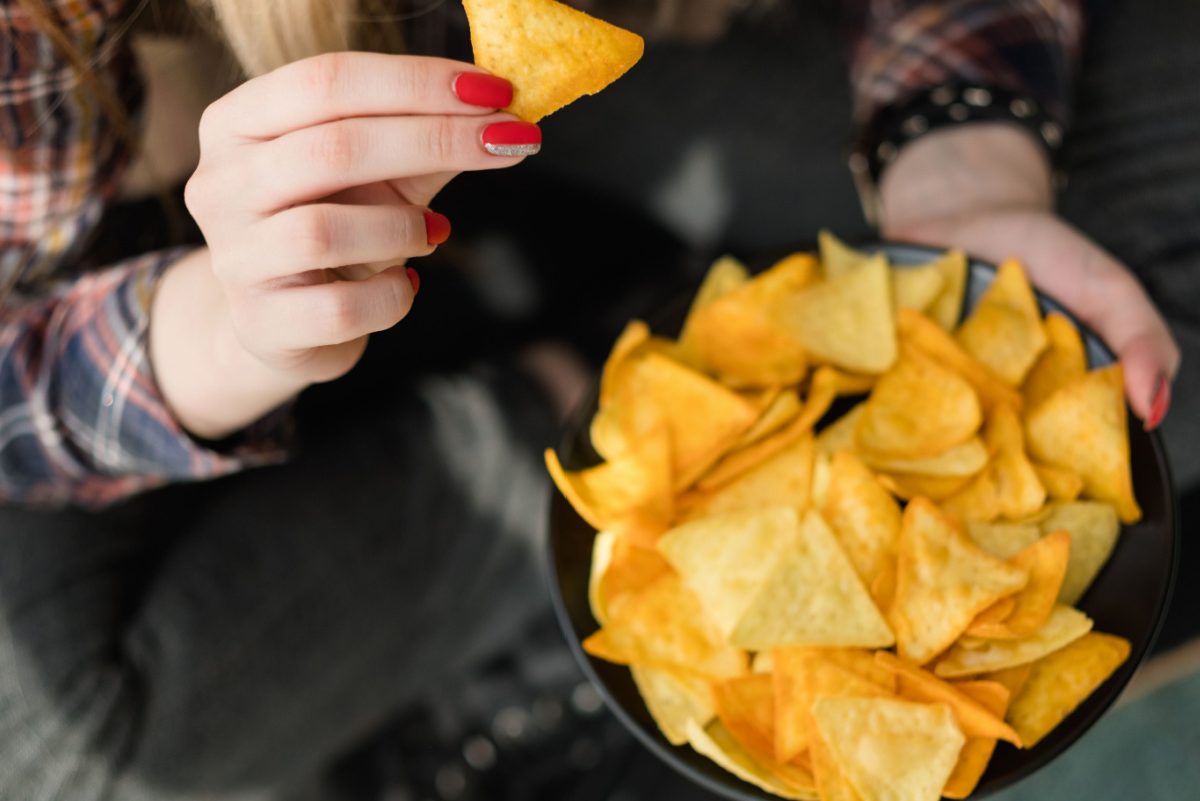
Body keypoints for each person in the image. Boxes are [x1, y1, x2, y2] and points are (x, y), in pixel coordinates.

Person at [0, 1, 1189, 799]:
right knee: (71, 762)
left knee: (1140, 297)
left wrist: (961, 163)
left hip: (601, 45)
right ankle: (586, 420)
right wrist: (212, 332)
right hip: (86, 263)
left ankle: (696, 368)